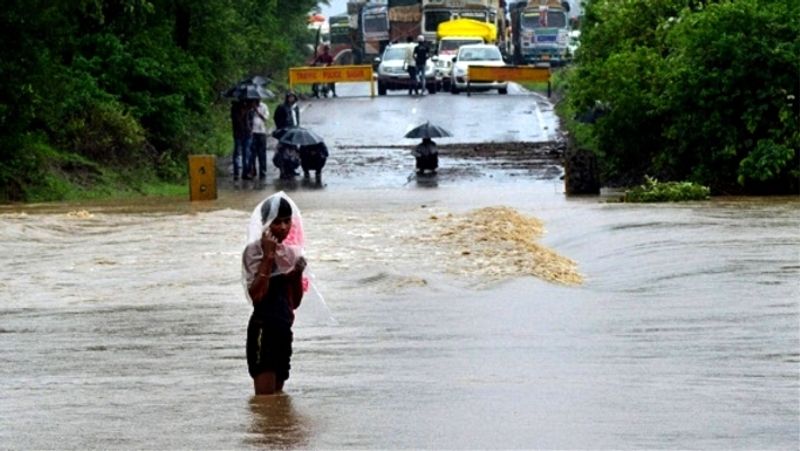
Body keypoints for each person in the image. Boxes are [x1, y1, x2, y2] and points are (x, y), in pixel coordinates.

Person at [242, 192, 307, 395]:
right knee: (265, 400)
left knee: (277, 399)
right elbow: (257, 296)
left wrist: (296, 274)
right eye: (276, 222)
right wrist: (268, 256)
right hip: (264, 330)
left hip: (283, 330)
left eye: (287, 222)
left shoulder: (290, 254)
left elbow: (294, 303)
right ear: (265, 223)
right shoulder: (254, 252)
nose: (283, 228)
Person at [273, 92, 301, 178]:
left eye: (293, 97)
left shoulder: (295, 108)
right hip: (285, 132)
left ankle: (292, 169)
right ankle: (283, 170)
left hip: (294, 131)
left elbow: (297, 118)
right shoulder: (282, 107)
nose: (291, 99)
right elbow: (276, 118)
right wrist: (281, 128)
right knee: (283, 152)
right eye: (290, 97)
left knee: (293, 152)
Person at [231, 100, 253, 180]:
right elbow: (236, 120)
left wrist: (250, 129)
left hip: (247, 134)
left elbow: (251, 121)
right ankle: (236, 173)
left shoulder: (250, 108)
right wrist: (243, 112)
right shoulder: (235, 108)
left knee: (246, 154)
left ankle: (245, 173)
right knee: (237, 154)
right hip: (238, 134)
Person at [247, 99, 270, 179]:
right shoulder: (250, 107)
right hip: (253, 132)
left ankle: (263, 171)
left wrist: (257, 111)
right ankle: (252, 171)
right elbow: (248, 119)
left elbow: (265, 118)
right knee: (252, 154)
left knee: (262, 153)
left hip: (261, 132)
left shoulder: (264, 106)